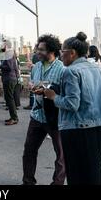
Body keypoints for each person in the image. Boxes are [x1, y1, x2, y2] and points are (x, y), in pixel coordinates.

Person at [44, 32, 101, 185]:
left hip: (79, 130)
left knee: (81, 174)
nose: (60, 55)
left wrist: (52, 96)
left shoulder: (70, 71)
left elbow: (72, 104)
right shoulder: (96, 67)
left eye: (62, 52)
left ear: (72, 53)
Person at [23, 34, 65, 185]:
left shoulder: (62, 69)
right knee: (29, 150)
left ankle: (57, 183)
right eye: (37, 49)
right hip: (37, 115)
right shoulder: (38, 66)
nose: (37, 52)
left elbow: (64, 92)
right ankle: (28, 181)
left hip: (55, 117)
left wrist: (47, 91)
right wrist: (32, 86)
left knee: (61, 154)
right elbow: (34, 82)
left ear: (51, 51)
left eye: (41, 50)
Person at [0, 41, 20, 125]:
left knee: (10, 99)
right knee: (10, 98)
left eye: (2, 44)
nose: (1, 46)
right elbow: (15, 68)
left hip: (9, 79)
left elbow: (9, 67)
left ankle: (14, 118)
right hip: (12, 78)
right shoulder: (11, 54)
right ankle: (13, 117)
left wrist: (0, 66)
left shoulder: (8, 54)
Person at [24, 46, 40, 110]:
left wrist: (28, 57)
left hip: (35, 75)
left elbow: (32, 65)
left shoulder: (35, 56)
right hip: (36, 75)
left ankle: (32, 104)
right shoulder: (37, 56)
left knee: (33, 90)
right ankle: (32, 104)